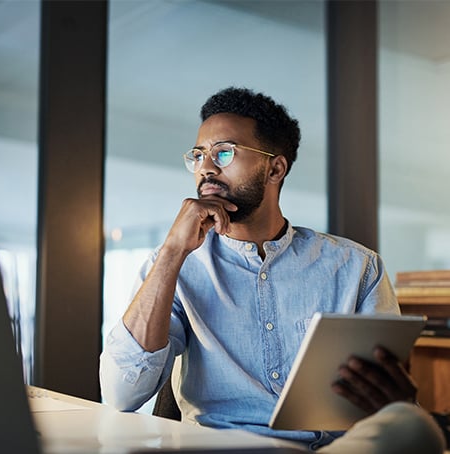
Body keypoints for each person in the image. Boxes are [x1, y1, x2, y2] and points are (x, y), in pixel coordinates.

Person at [99, 87, 444, 451]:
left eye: (224, 152)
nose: (206, 167)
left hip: (331, 449)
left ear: (275, 168)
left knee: (416, 430)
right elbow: (121, 393)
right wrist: (171, 252)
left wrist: (397, 404)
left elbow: (386, 403)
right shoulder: (176, 263)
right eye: (199, 155)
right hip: (221, 448)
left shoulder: (357, 266)